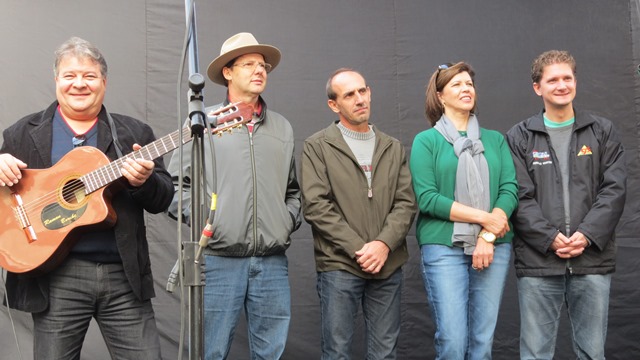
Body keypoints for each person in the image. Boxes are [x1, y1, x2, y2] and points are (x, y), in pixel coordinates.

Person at [0, 37, 172, 359]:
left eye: (90, 76)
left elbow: (162, 199)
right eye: (70, 76)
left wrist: (144, 181)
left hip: (123, 275)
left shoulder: (134, 134)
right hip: (55, 276)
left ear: (103, 83)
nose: (79, 84)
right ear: (57, 82)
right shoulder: (21, 133)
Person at [167, 32, 301, 359]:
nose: (260, 70)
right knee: (209, 352)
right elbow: (174, 187)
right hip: (217, 260)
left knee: (271, 353)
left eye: (263, 65)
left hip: (271, 262)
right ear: (227, 72)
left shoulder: (282, 127)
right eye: (249, 64)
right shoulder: (202, 123)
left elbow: (293, 190)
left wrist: (285, 221)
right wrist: (212, 224)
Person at [506, 50, 627, 360]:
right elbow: (519, 196)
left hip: (591, 261)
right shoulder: (519, 137)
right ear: (538, 87)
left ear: (576, 82)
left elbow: (614, 190)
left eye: (567, 78)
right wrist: (549, 238)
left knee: (592, 353)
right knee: (535, 353)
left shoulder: (602, 132)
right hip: (539, 263)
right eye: (553, 80)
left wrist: (585, 235)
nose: (561, 85)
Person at [301, 68, 416, 360]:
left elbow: (406, 203)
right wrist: (360, 249)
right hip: (339, 265)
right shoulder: (317, 146)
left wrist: (382, 245)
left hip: (387, 265)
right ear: (334, 104)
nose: (359, 99)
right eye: (349, 94)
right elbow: (316, 206)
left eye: (363, 91)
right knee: (337, 352)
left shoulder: (391, 146)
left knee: (385, 354)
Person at [409, 61, 519, 359]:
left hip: (494, 247)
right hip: (444, 247)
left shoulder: (495, 140)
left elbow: (509, 189)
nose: (466, 89)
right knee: (453, 341)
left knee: (482, 342)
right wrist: (486, 219)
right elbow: (428, 199)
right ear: (440, 96)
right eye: (457, 84)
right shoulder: (426, 141)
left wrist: (487, 237)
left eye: (469, 83)